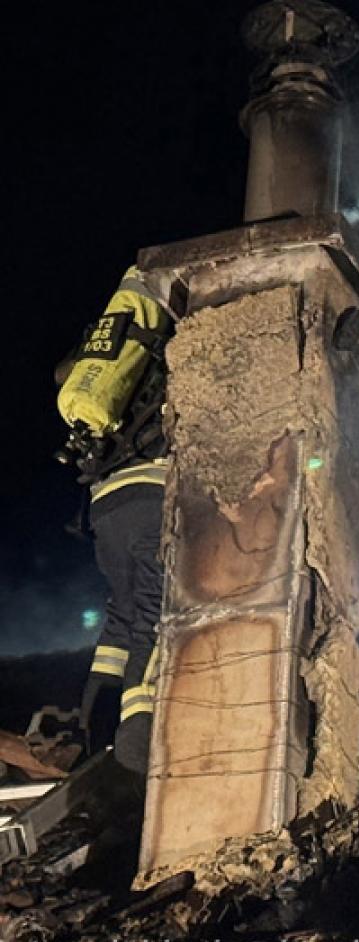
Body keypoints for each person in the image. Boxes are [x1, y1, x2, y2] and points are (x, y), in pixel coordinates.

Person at [56, 265, 175, 773]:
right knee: (153, 610)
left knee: (122, 612)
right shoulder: (173, 348)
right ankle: (138, 739)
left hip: (106, 502)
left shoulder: (111, 345)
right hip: (152, 490)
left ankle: (93, 722)